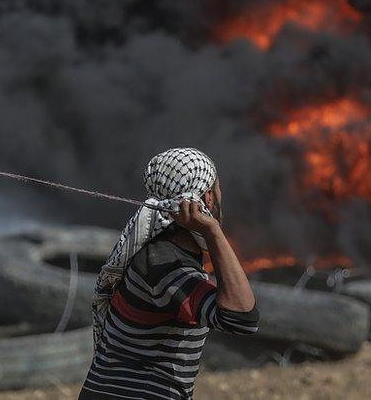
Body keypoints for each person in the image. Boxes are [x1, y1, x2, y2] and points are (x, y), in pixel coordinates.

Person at [80, 148, 259, 399]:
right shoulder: (164, 265)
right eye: (217, 190)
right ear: (208, 199)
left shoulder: (157, 254)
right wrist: (213, 232)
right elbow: (241, 318)